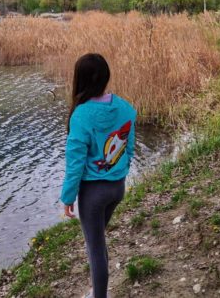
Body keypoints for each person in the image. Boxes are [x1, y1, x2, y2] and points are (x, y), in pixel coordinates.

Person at [60, 53, 137, 298]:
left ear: (80, 80)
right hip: (117, 188)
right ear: (106, 77)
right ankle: (97, 290)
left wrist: (67, 197)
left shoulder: (81, 115)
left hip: (93, 194)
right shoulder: (125, 108)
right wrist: (120, 173)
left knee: (94, 248)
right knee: (98, 241)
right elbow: (129, 149)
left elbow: (75, 163)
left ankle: (99, 295)